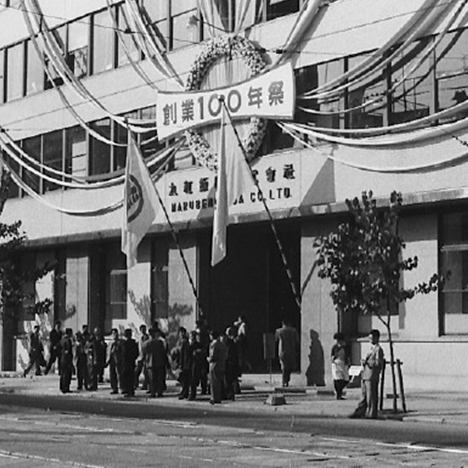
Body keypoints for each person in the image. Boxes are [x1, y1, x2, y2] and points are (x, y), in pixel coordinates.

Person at [349, 329, 385, 419]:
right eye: (369, 338)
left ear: (376, 338)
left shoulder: (378, 350)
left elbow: (378, 363)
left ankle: (372, 413)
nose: (370, 340)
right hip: (366, 374)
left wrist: (368, 363)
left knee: (371, 396)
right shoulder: (371, 349)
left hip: (372, 375)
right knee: (364, 395)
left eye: (371, 338)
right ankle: (360, 411)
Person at [142, 328, 168, 398]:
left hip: (150, 363)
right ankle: (159, 392)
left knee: (152, 379)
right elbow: (163, 352)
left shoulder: (146, 343)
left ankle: (153, 392)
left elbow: (143, 353)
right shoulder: (160, 342)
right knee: (159, 378)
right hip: (159, 362)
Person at [275, 319, 299, 387]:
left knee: (284, 366)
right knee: (289, 366)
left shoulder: (279, 331)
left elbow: (275, 340)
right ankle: (287, 380)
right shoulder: (294, 331)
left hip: (282, 351)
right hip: (291, 350)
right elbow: (297, 341)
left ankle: (284, 381)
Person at [208, 329, 227, 405]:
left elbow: (212, 356)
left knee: (213, 383)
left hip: (214, 365)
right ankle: (218, 397)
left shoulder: (213, 344)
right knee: (219, 382)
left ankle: (214, 397)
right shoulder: (222, 344)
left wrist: (208, 359)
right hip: (221, 365)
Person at [172, 327, 191, 399]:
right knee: (182, 378)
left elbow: (184, 354)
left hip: (183, 362)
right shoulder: (180, 341)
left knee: (183, 378)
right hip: (180, 361)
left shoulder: (185, 341)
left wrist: (182, 364)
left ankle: (185, 392)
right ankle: (184, 391)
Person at [119, 328, 139, 397]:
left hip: (125, 363)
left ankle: (128, 390)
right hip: (131, 362)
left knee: (126, 377)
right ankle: (131, 390)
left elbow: (123, 354)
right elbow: (136, 353)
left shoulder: (124, 343)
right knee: (131, 377)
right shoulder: (134, 343)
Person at [331, 332, 350, 400]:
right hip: (336, 363)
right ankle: (338, 394)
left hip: (343, 363)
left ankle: (339, 391)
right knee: (337, 379)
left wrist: (348, 362)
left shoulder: (345, 347)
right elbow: (333, 355)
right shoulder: (335, 347)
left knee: (346, 379)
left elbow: (347, 356)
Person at [224, 327, 241, 401]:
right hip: (234, 362)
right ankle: (233, 392)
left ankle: (230, 394)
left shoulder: (230, 342)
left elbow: (230, 353)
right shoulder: (234, 341)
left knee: (229, 379)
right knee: (233, 378)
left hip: (231, 362)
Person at [188, 330, 204, 401]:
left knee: (193, 380)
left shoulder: (198, 345)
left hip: (195, 364)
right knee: (189, 380)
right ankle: (189, 393)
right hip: (188, 364)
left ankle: (192, 395)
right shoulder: (187, 344)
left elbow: (202, 354)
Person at [134, 324, 149, 390]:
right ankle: (135, 384)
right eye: (142, 329)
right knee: (137, 371)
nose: (143, 330)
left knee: (146, 372)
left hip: (146, 356)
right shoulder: (139, 337)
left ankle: (145, 385)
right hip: (140, 356)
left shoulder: (147, 337)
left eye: (144, 329)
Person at [107, 328, 122, 394]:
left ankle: (121, 387)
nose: (114, 335)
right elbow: (108, 351)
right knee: (112, 375)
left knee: (119, 375)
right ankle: (114, 388)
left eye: (115, 333)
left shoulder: (120, 342)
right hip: (111, 360)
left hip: (118, 360)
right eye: (113, 334)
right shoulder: (110, 343)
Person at [59, 328, 74, 393]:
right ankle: (66, 388)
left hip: (62, 358)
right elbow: (69, 350)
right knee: (67, 374)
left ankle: (62, 386)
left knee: (62, 373)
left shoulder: (62, 340)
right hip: (67, 359)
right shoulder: (68, 340)